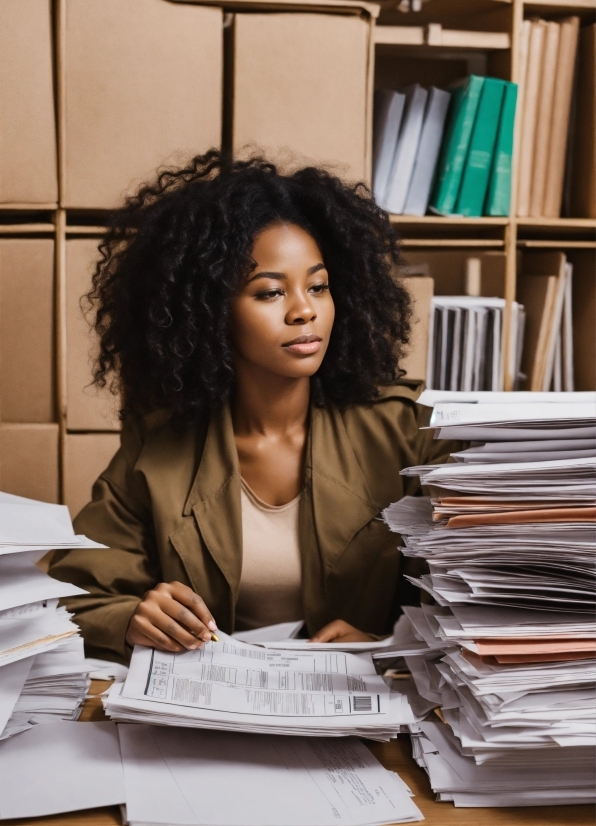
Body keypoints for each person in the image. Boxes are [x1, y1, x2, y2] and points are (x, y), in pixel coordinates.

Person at [49, 150, 450, 665]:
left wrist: (393, 642)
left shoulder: (407, 430)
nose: (304, 310)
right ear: (210, 311)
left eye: (318, 286)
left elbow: (484, 591)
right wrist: (130, 617)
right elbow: (72, 593)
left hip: (363, 720)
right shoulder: (161, 446)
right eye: (269, 293)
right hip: (212, 720)